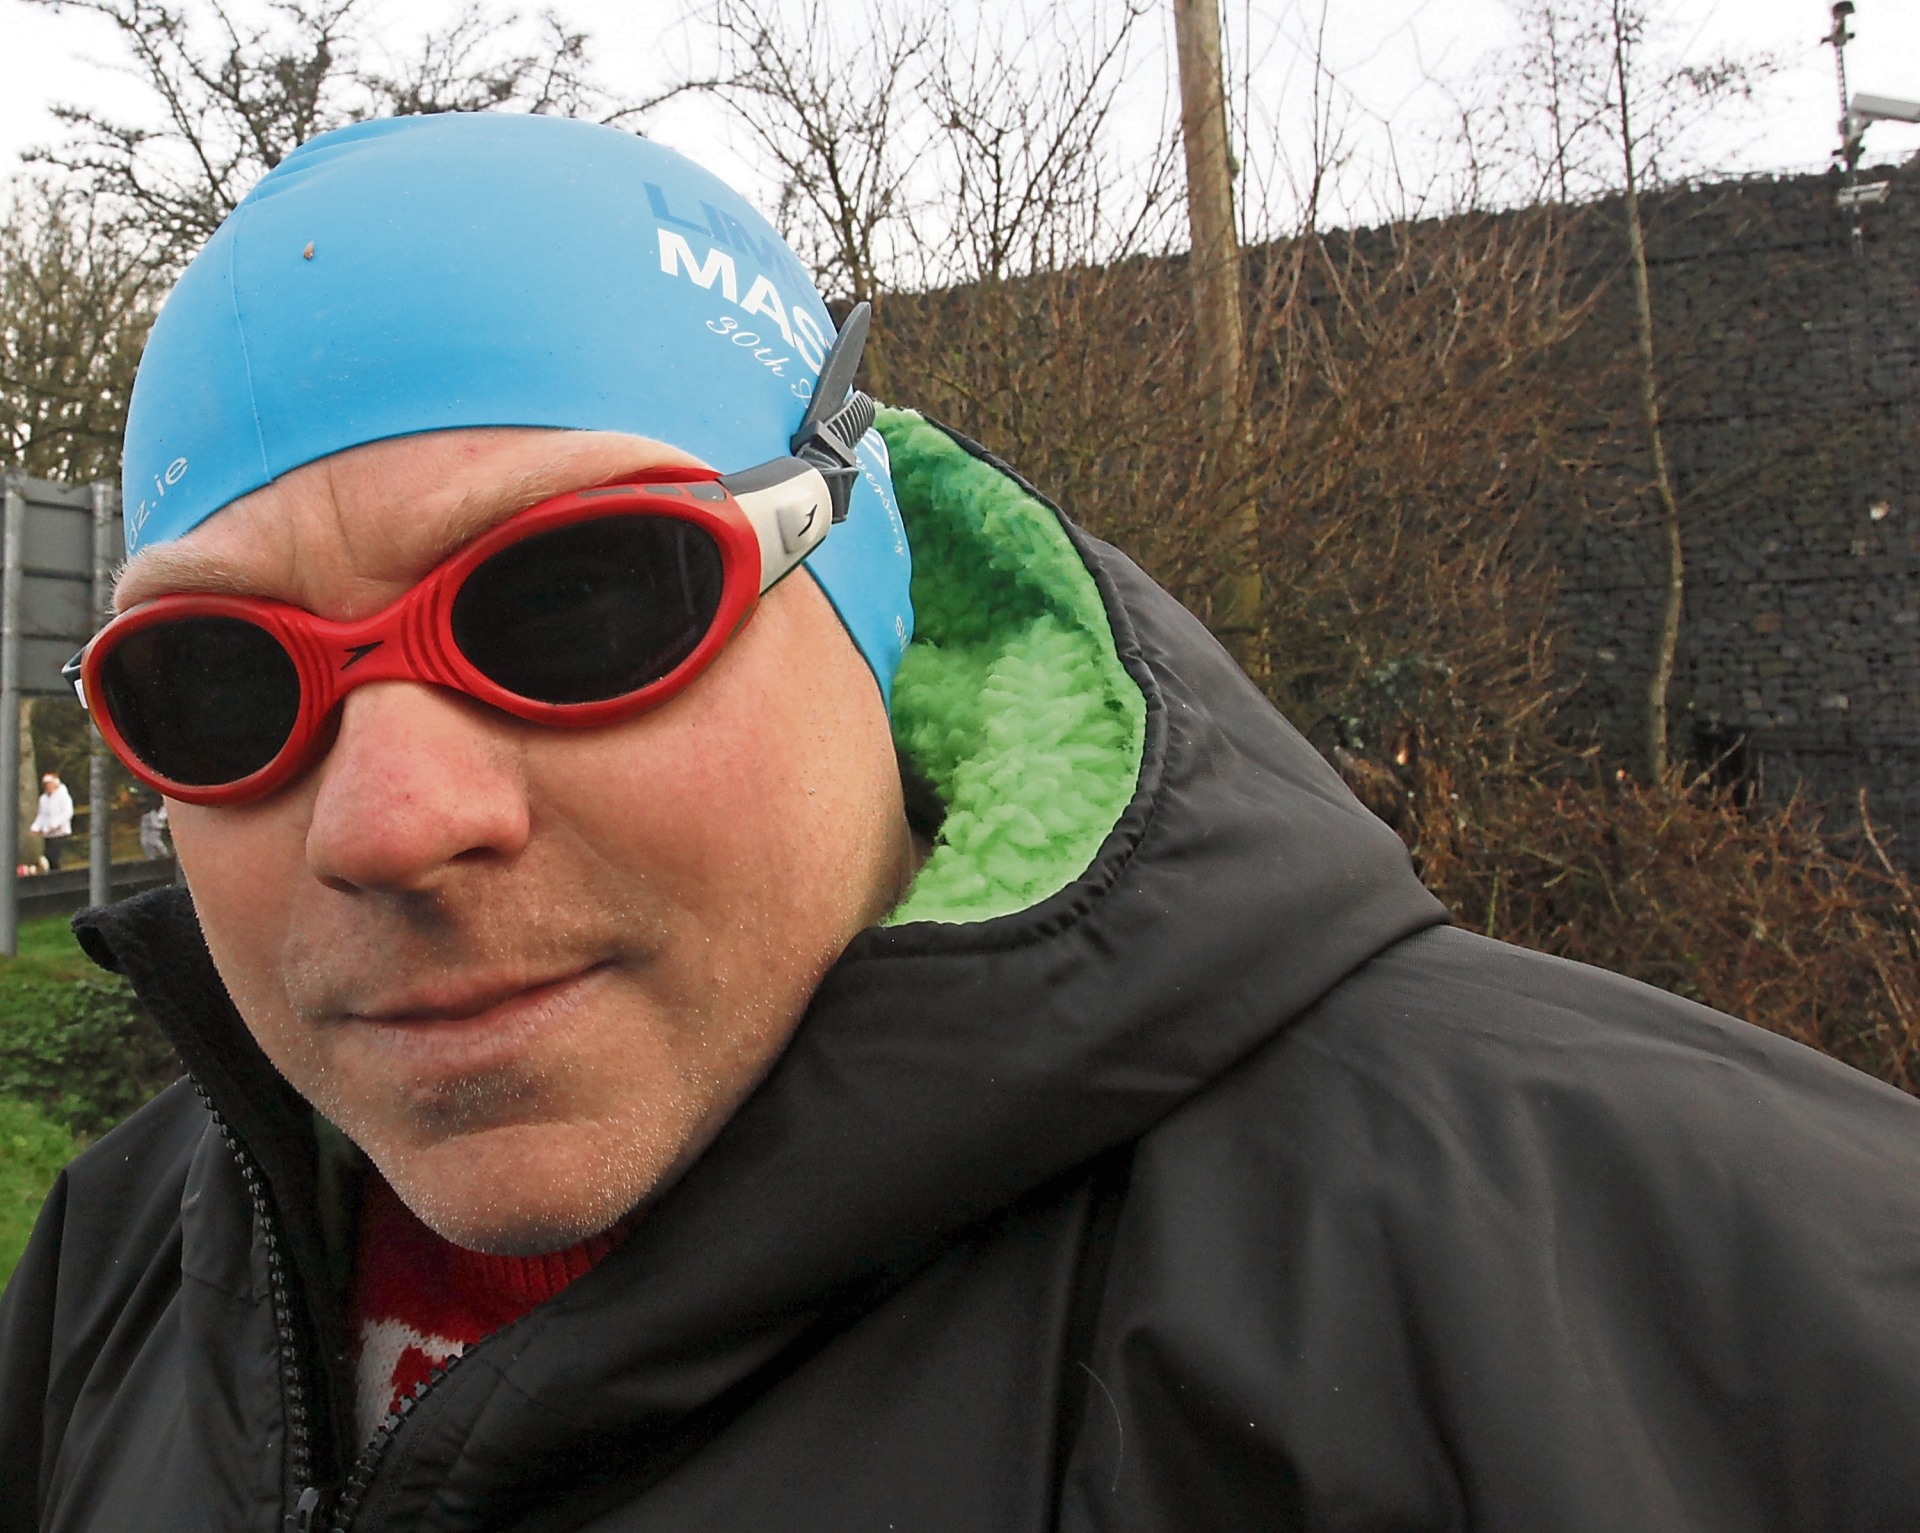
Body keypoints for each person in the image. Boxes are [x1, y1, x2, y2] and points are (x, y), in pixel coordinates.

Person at [3, 114, 1919, 1533]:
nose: (390, 821)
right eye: (219, 685)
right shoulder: (120, 1271)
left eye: (578, 600)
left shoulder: (1700, 1296)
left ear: (870, 588)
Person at [28, 772, 72, 874]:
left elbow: (67, 812)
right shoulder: (43, 799)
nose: (47, 786)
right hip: (48, 833)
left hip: (60, 833)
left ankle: (57, 877)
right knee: (48, 858)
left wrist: (55, 825)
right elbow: (42, 815)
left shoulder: (63, 796)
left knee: (54, 857)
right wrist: (35, 828)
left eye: (49, 784)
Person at [137, 796, 169, 861]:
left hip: (153, 838)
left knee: (163, 852)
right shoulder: (147, 816)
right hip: (149, 838)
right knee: (154, 855)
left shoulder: (154, 814)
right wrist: (165, 826)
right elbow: (155, 825)